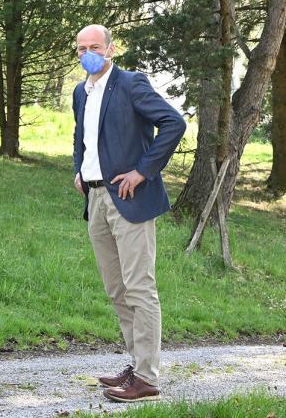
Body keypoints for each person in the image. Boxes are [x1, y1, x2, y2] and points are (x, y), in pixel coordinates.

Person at [70, 24, 186, 403]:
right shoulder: (80, 91)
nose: (89, 53)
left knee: (139, 288)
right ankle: (136, 364)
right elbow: (82, 139)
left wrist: (143, 170)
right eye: (82, 48)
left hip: (130, 197)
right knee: (116, 289)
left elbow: (174, 123)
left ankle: (147, 377)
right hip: (97, 199)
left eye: (95, 47)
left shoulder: (132, 83)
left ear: (111, 49)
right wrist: (80, 170)